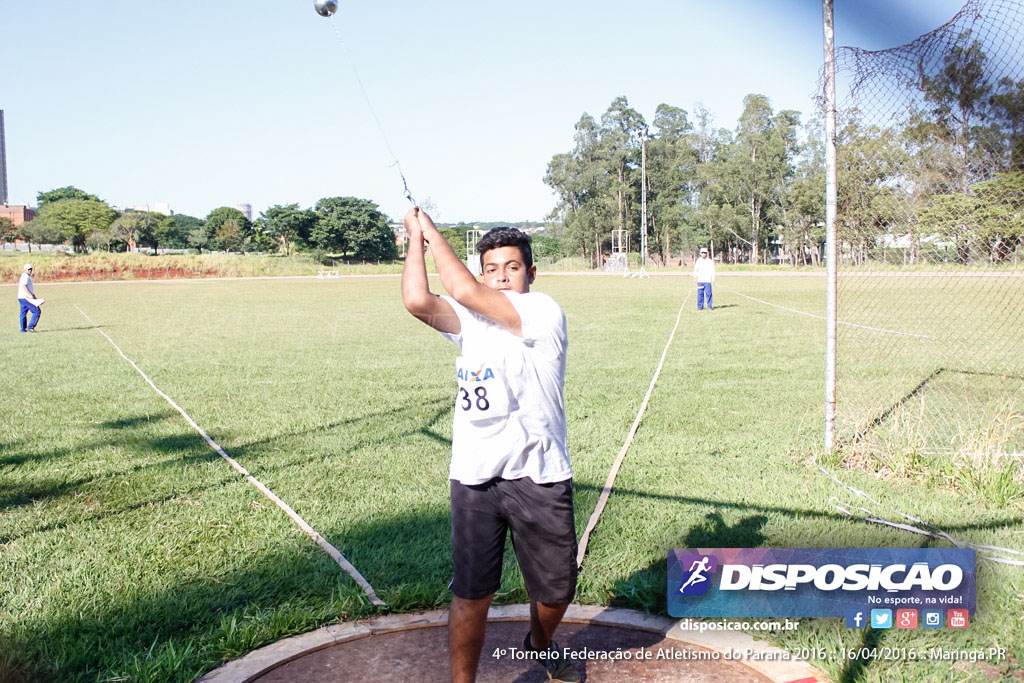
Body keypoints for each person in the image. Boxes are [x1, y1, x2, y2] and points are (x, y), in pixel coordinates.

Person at [401, 207, 579, 683]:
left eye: (512, 268)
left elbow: (462, 288)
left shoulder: (542, 311)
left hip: (539, 473)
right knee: (472, 592)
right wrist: (414, 242)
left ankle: (540, 642)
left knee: (557, 591)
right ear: (484, 273)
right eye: (492, 270)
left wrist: (434, 231)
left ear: (531, 273)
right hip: (475, 476)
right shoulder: (471, 319)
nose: (501, 279)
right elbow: (419, 300)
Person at [17, 263, 43, 332]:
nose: (30, 271)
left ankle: (23, 329)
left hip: (21, 297)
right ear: (25, 270)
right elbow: (24, 286)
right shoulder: (25, 276)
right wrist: (30, 295)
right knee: (37, 311)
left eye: (31, 269)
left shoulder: (24, 276)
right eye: (28, 269)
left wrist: (34, 296)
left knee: (23, 313)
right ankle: (30, 327)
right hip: (26, 298)